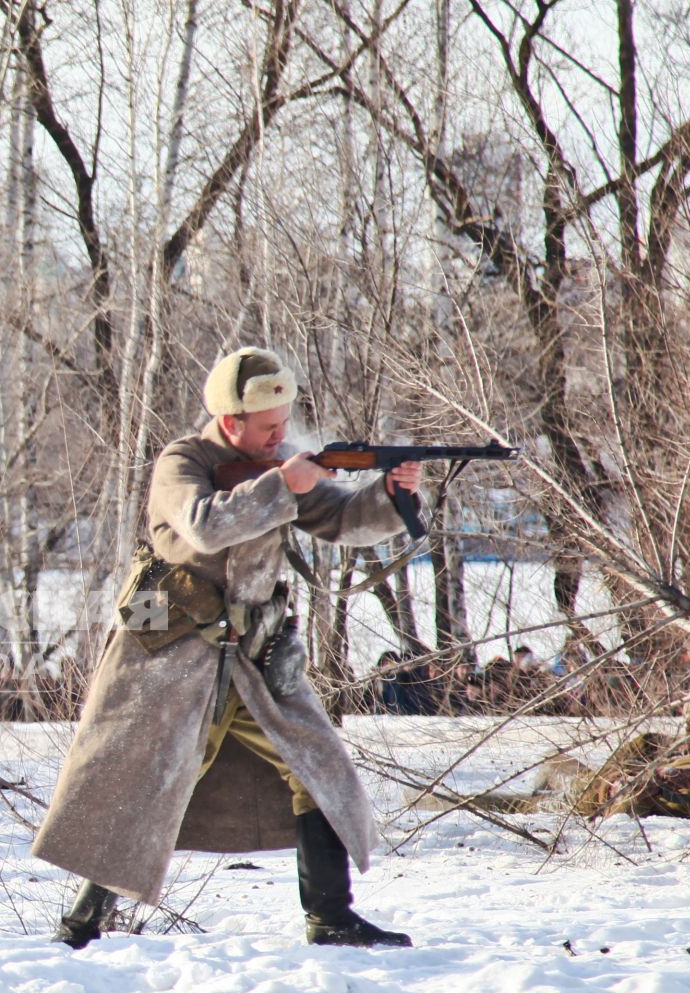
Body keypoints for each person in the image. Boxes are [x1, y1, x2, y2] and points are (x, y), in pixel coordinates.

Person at [33, 347, 420, 951]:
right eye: (269, 428)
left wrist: (391, 497)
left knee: (319, 769)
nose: (281, 436)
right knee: (143, 782)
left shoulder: (282, 466)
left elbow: (344, 521)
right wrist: (279, 485)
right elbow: (205, 525)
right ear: (232, 422)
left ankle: (331, 917)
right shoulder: (181, 461)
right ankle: (80, 925)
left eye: (284, 425)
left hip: (254, 658)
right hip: (169, 654)